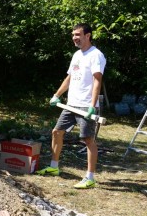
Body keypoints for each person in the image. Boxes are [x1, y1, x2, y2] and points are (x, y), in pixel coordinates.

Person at [37, 23, 106, 189]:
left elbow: (97, 80)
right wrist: (57, 95)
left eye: (78, 35)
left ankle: (90, 177)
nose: (75, 38)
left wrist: (92, 106)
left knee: (88, 140)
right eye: (73, 35)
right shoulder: (76, 55)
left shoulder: (96, 55)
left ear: (88, 35)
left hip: (86, 106)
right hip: (71, 104)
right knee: (56, 132)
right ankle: (54, 167)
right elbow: (69, 78)